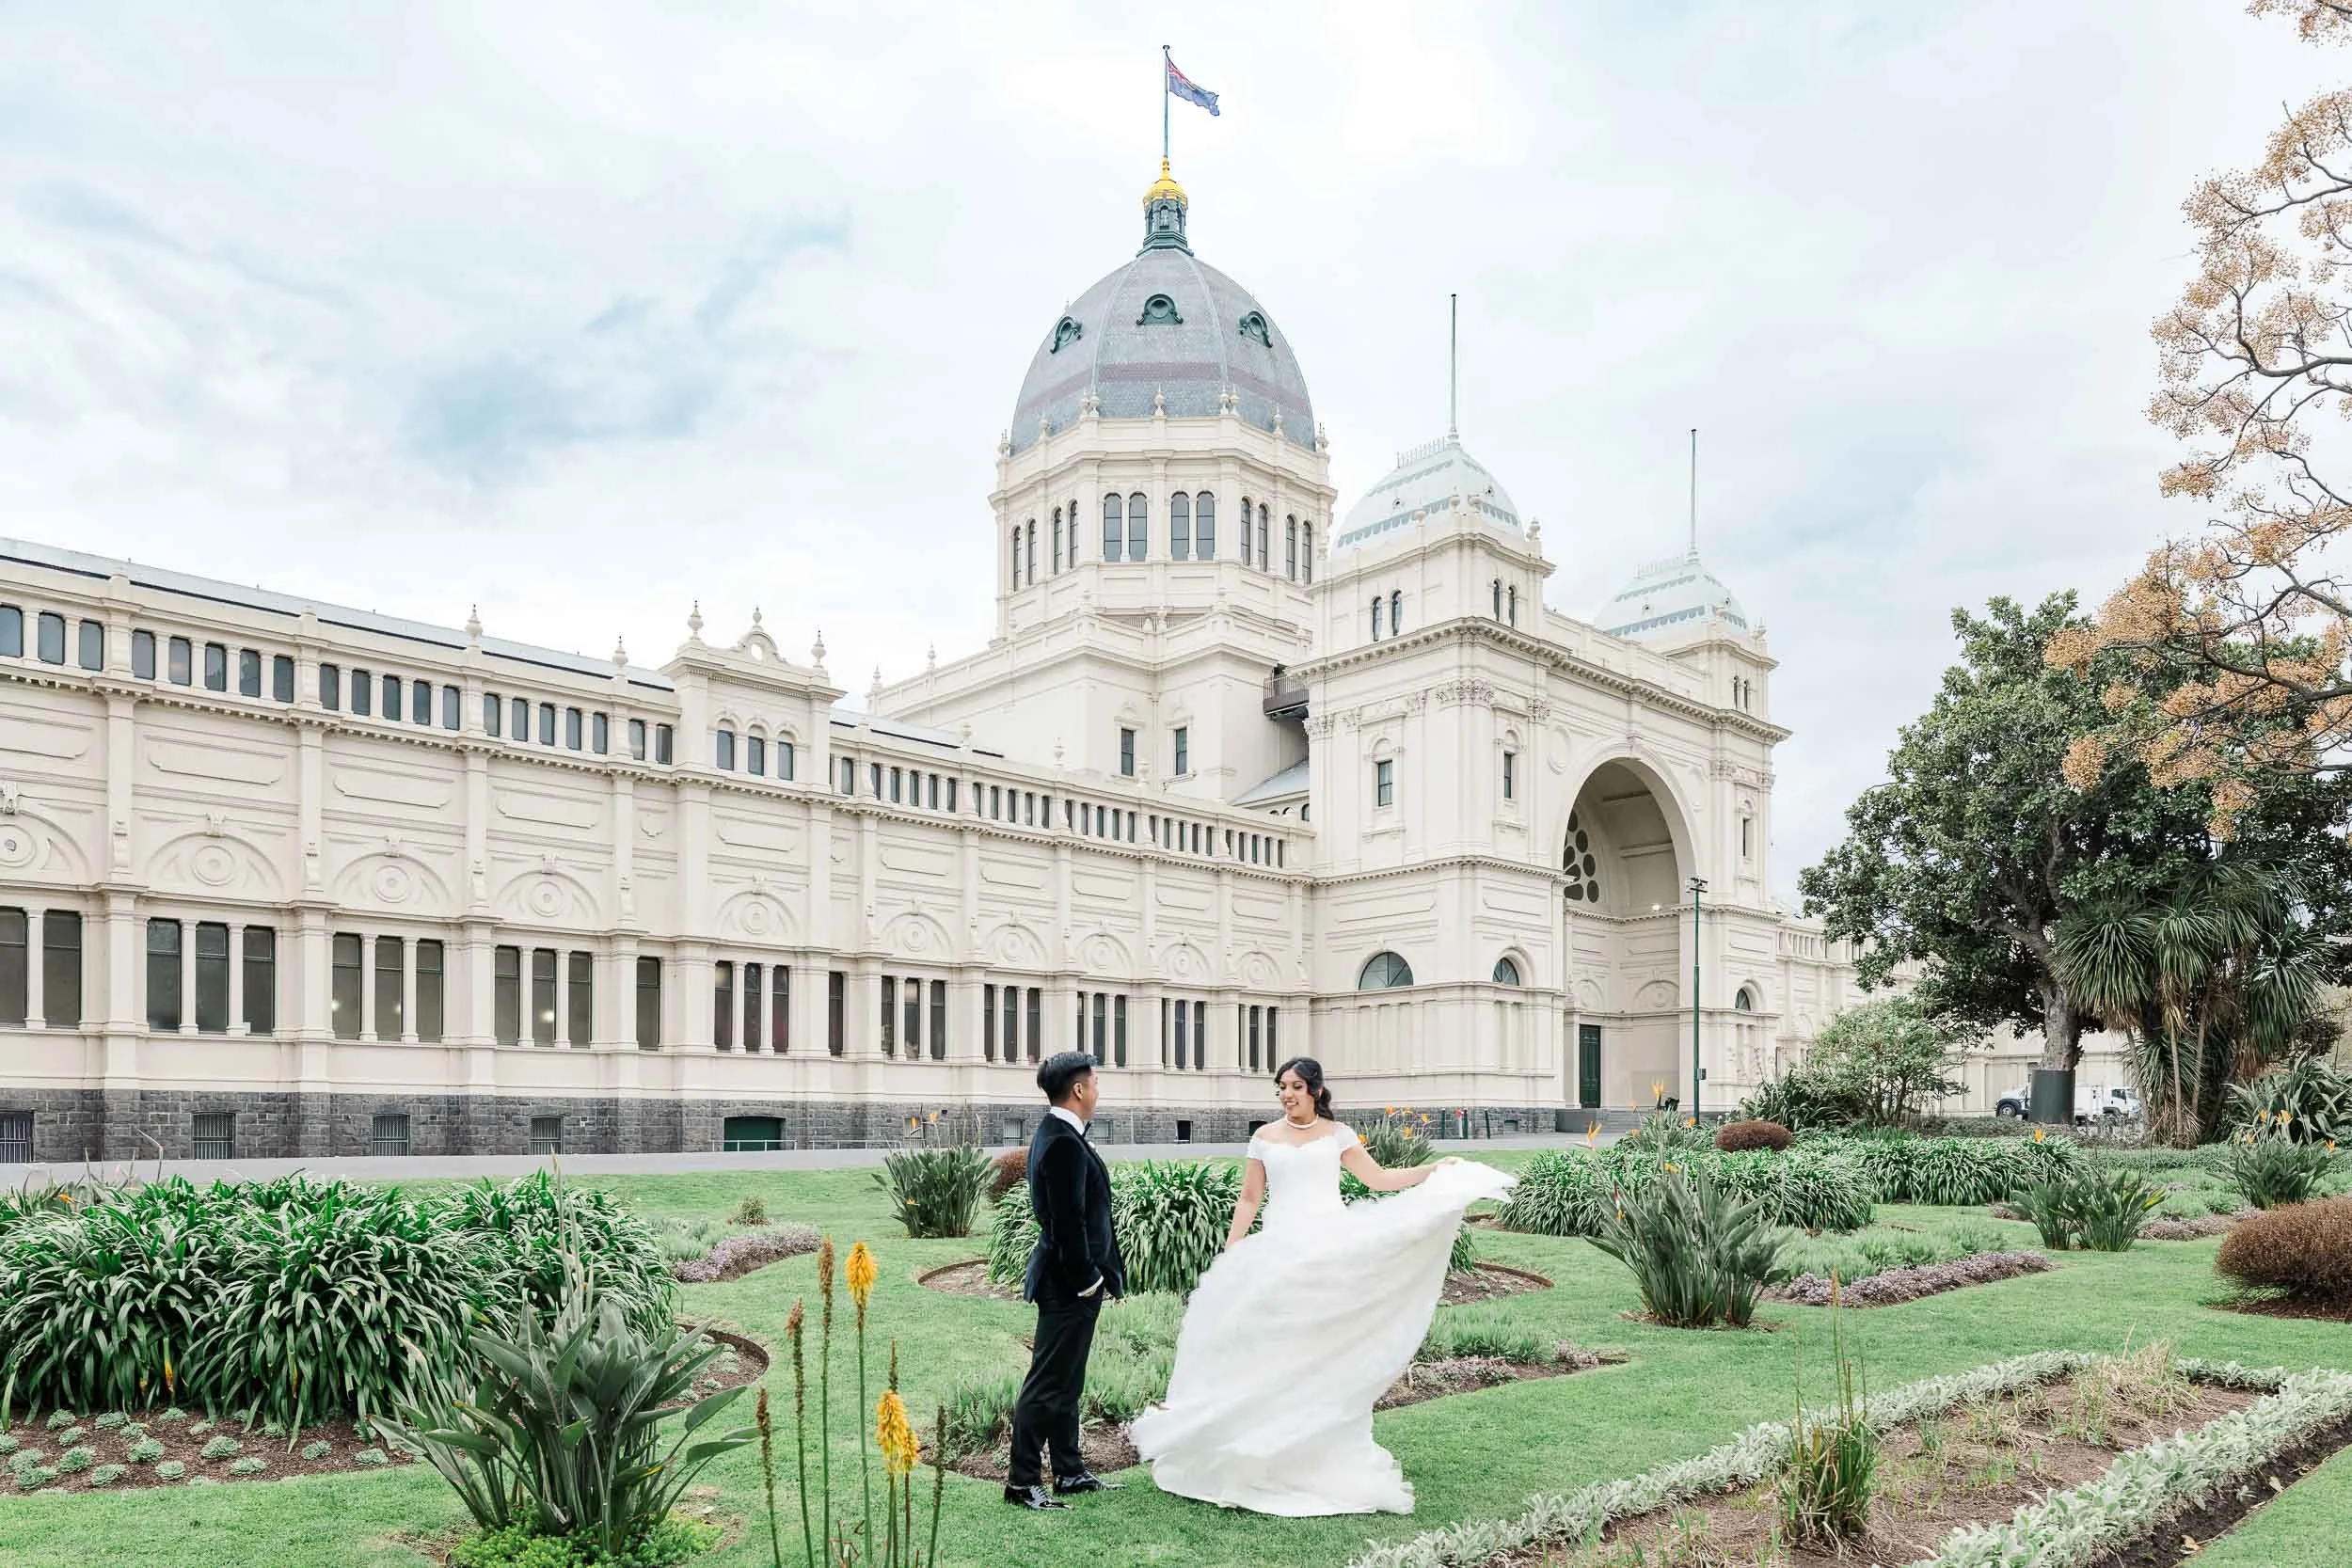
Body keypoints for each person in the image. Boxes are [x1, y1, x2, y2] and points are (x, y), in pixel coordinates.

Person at [1130, 1057, 1513, 1516]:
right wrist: (1232, 1251)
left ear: (1314, 1089)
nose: (1286, 1095)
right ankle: (1259, 1442)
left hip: (1330, 1247)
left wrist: (1431, 1171)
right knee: (1273, 1345)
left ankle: (1315, 1442)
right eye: (1281, 1088)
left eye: (1294, 1086)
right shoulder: (1264, 1138)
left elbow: (1378, 1179)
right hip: (1279, 1249)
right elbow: (1250, 1197)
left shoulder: (1338, 1135)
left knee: (1320, 1345)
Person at [1006, 1050, 1127, 1510]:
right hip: (1068, 1284)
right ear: (1079, 1089)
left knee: (1067, 1381)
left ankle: (1070, 1471)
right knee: (1048, 1382)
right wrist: (1088, 1280)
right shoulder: (1061, 1141)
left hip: (1071, 1281)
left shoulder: (1061, 1134)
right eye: (1095, 1081)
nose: (1098, 1089)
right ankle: (1021, 1481)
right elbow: (1066, 1221)